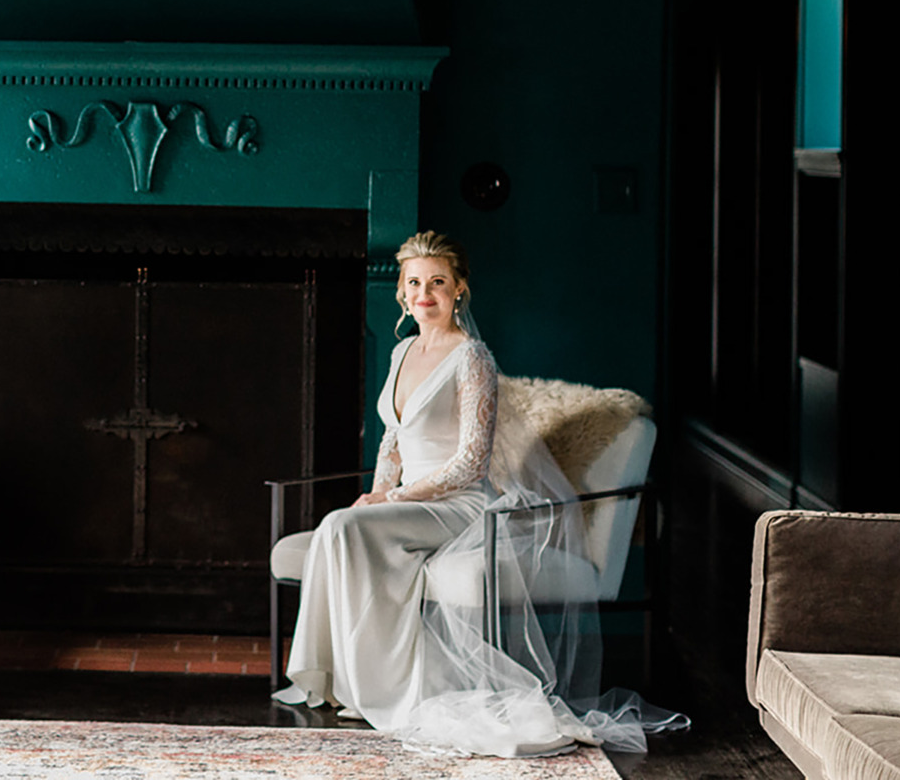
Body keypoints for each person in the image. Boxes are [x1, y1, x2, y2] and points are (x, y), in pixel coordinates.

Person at [272, 231, 685, 758]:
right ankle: (335, 680)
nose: (425, 294)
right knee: (339, 523)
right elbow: (392, 439)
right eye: (415, 283)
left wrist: (394, 500)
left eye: (438, 283)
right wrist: (378, 492)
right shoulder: (402, 351)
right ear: (401, 292)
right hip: (407, 497)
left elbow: (471, 462)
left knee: (343, 527)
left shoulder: (472, 358)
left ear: (459, 289)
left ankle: (383, 686)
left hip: (460, 504)